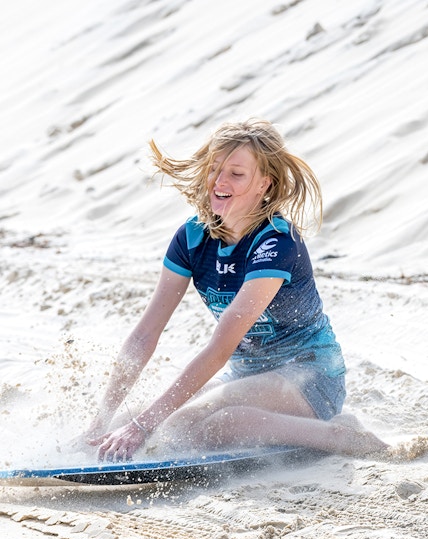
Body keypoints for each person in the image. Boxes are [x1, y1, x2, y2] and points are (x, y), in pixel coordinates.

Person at [81, 118, 388, 461]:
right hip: (246, 376)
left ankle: (341, 434)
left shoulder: (276, 240)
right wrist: (103, 419)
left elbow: (221, 345)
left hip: (310, 375)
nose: (219, 181)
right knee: (128, 421)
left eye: (236, 174)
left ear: (265, 185)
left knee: (196, 426)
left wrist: (143, 426)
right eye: (215, 169)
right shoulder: (192, 238)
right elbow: (144, 334)